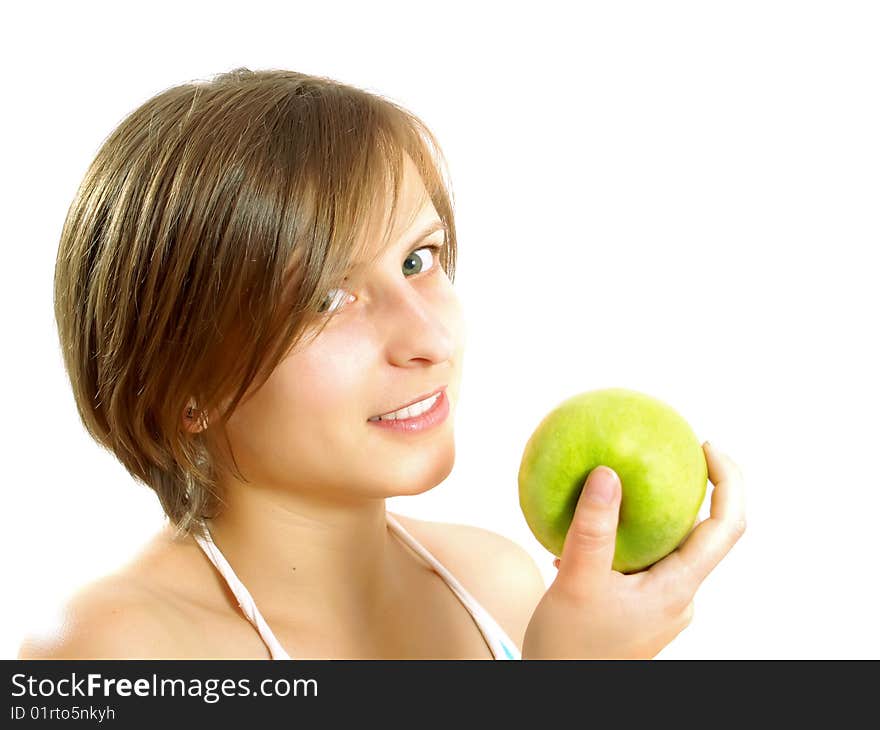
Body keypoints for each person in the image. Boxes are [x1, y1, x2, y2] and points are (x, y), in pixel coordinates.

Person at [19, 68, 745, 660]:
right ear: (187, 385)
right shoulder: (111, 654)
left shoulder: (497, 583)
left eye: (418, 259)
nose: (428, 336)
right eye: (324, 297)